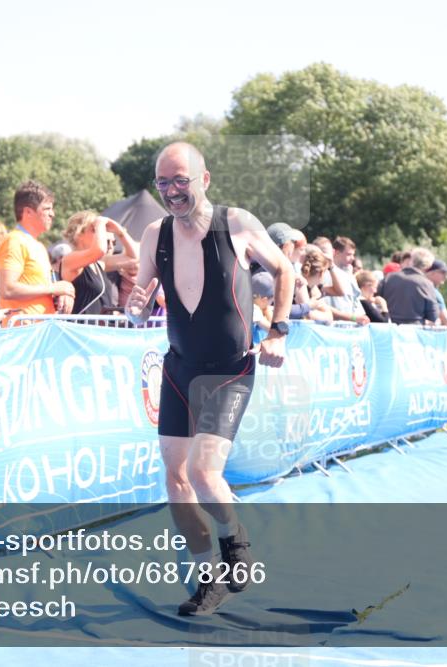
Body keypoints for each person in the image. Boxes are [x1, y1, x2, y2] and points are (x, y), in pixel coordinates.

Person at [124, 142, 294, 616]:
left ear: (205, 179)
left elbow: (284, 269)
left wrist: (278, 331)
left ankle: (235, 540)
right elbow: (142, 292)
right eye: (163, 182)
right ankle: (208, 579)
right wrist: (136, 306)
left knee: (203, 472)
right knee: (176, 479)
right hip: (179, 366)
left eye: (181, 180)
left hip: (229, 367)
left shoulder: (235, 223)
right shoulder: (155, 233)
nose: (173, 191)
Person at [0, 181, 75, 323]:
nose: (53, 214)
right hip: (23, 335)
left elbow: (42, 290)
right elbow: (7, 289)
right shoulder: (14, 241)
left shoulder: (38, 246)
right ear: (28, 212)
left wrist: (62, 294)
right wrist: (52, 288)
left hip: (39, 332)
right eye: (47, 209)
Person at [61, 211, 138, 316]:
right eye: (94, 229)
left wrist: (120, 231)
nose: (100, 233)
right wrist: (101, 223)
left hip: (100, 329)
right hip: (81, 328)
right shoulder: (69, 259)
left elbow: (133, 257)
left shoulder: (99, 263)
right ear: (78, 234)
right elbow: (100, 250)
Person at [379, 247, 439, 325]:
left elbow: (376, 300)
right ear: (428, 266)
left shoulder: (389, 278)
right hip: (415, 331)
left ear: (411, 261)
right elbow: (433, 316)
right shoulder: (427, 284)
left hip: (390, 330)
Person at [323, 237, 369, 325]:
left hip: (349, 327)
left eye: (353, 255)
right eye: (348, 254)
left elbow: (356, 301)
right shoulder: (323, 273)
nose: (352, 258)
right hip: (330, 327)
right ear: (335, 252)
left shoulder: (350, 276)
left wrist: (359, 318)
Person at [424, 259, 447, 327]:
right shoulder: (434, 292)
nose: (446, 276)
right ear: (431, 273)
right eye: (443, 272)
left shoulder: (419, 288)